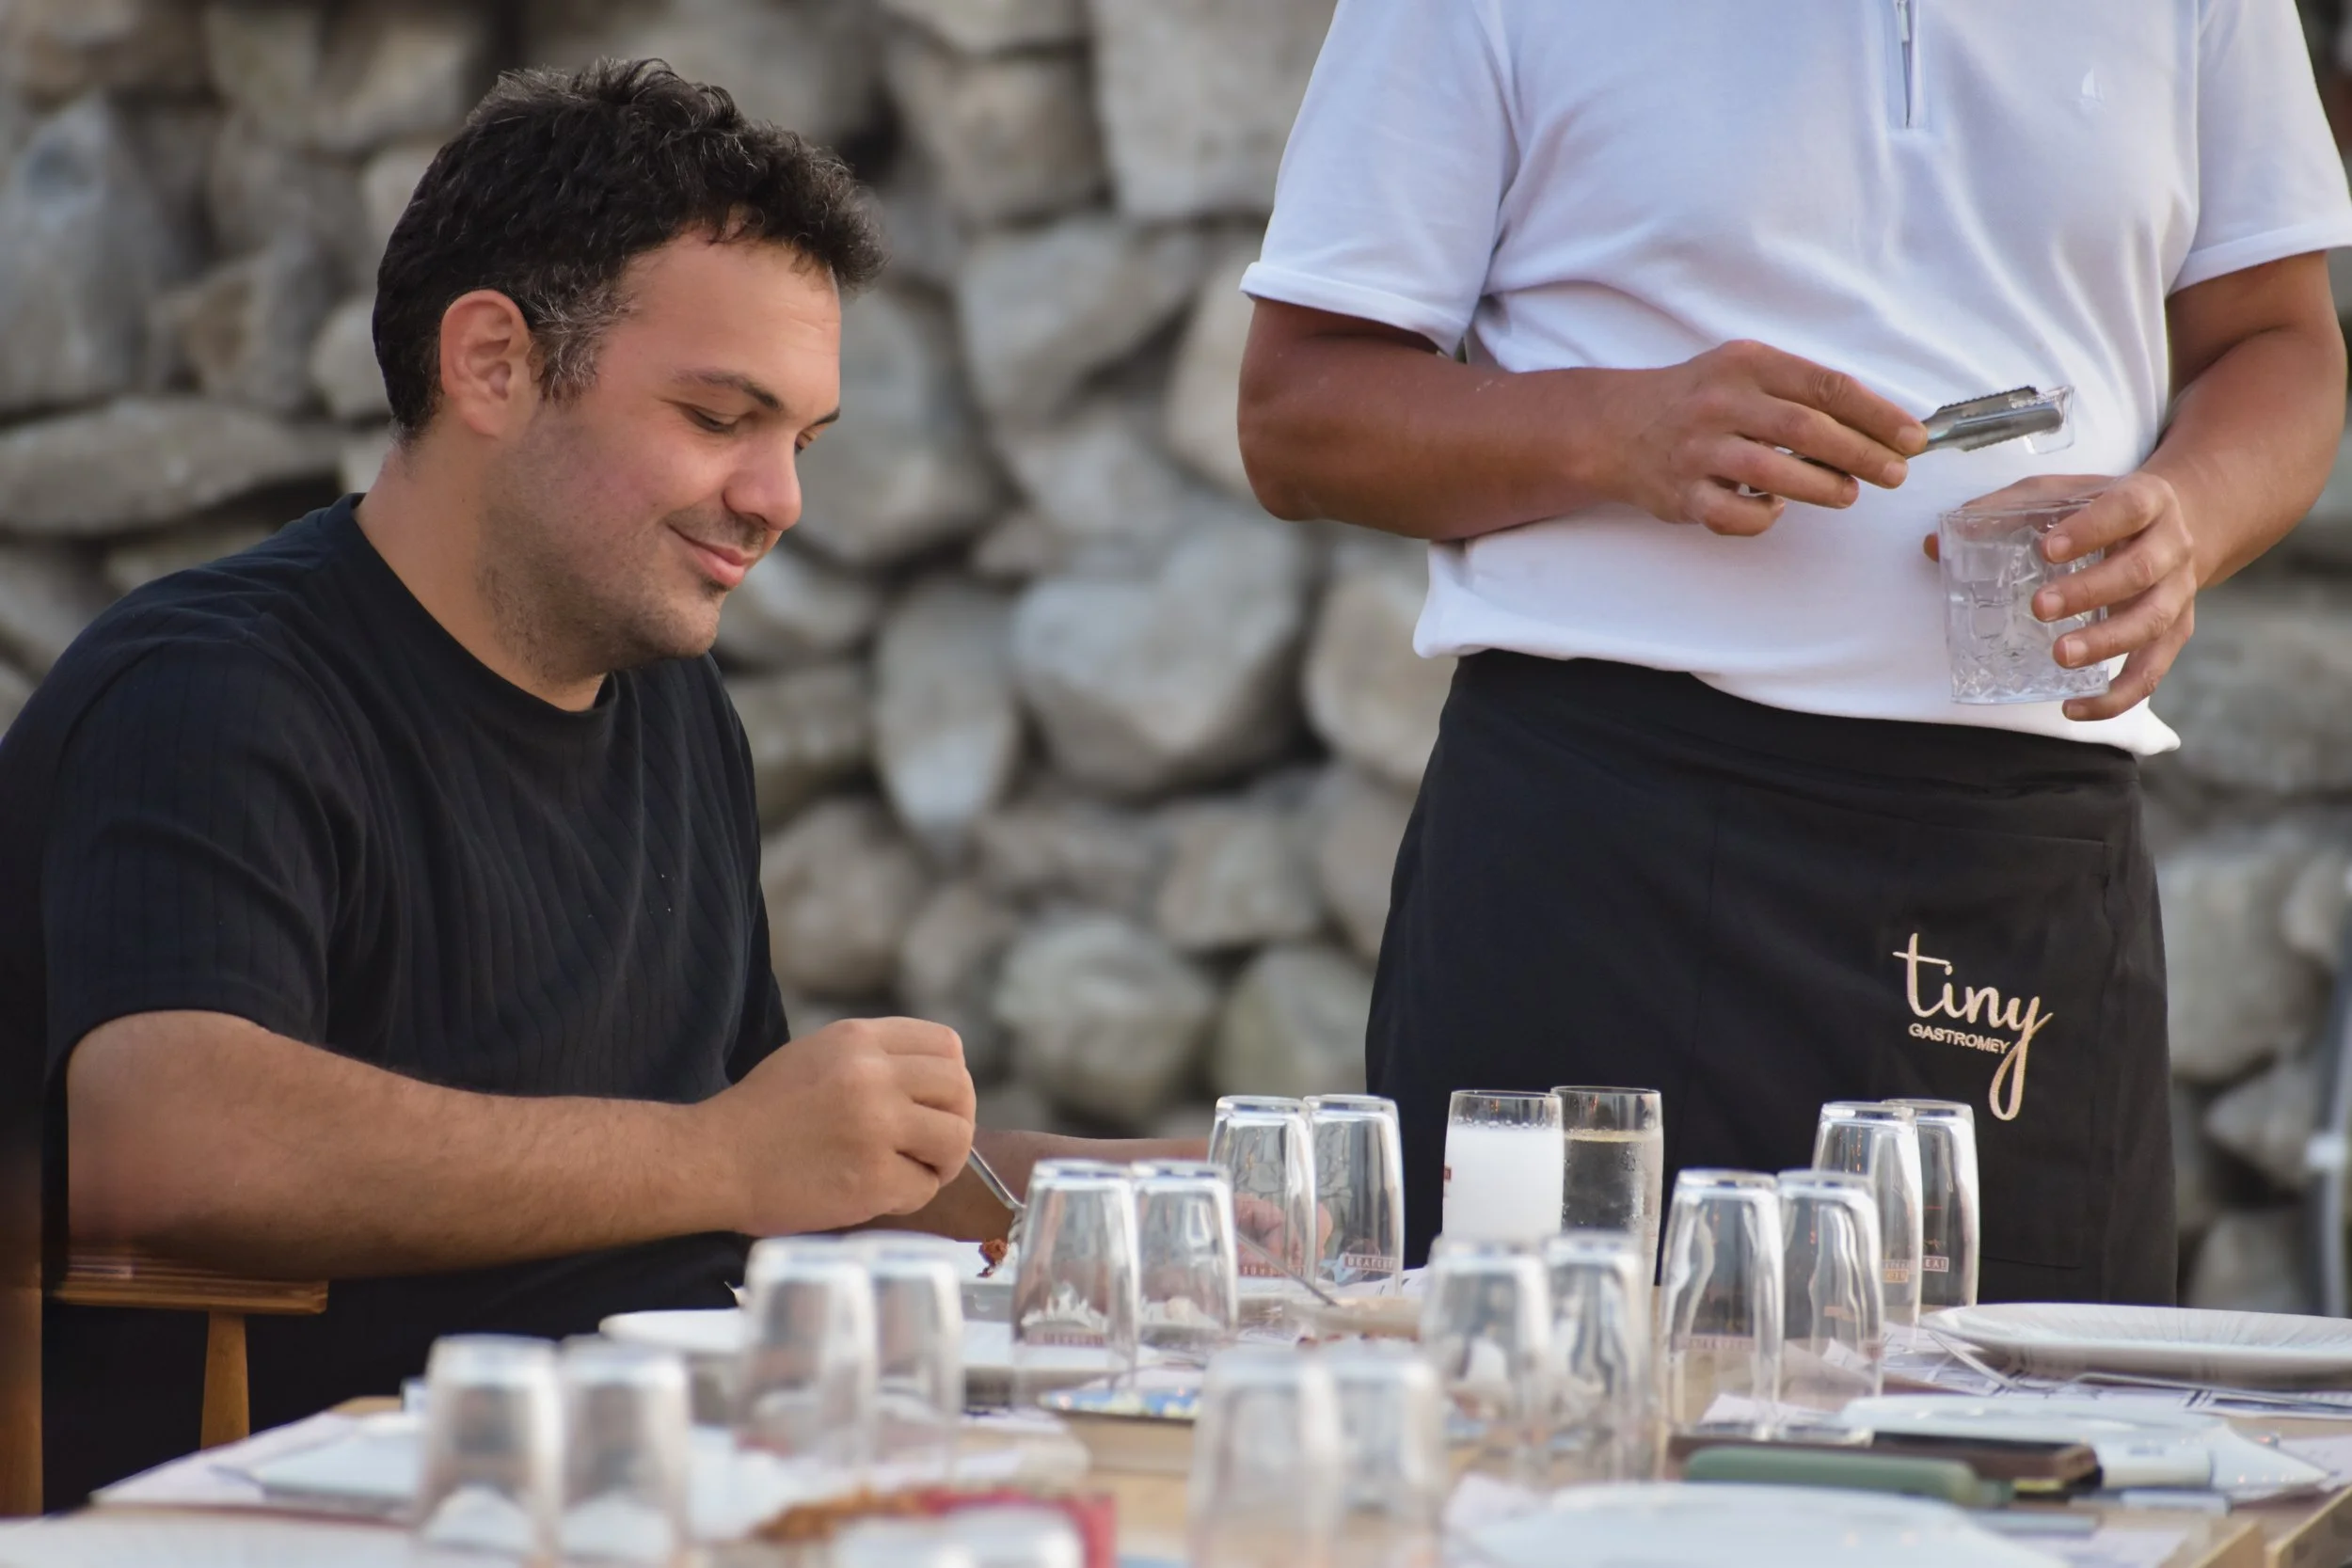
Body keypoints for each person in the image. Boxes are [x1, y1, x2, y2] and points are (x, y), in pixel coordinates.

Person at [0, 61, 1192, 1509]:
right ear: (492, 364)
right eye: (719, 417)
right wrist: (725, 1155)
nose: (779, 498)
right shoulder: (212, 688)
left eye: (802, 441)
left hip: (673, 1483)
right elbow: (168, 1141)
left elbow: (769, 1173)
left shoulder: (677, 709)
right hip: (325, 1511)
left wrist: (1174, 1193)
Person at [1237, 0, 2352, 1302]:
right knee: (1546, 1413)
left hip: (2023, 881)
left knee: (2045, 1428)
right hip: (1600, 859)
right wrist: (1613, 429)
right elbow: (1296, 411)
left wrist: (2191, 515)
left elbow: (2279, 339)